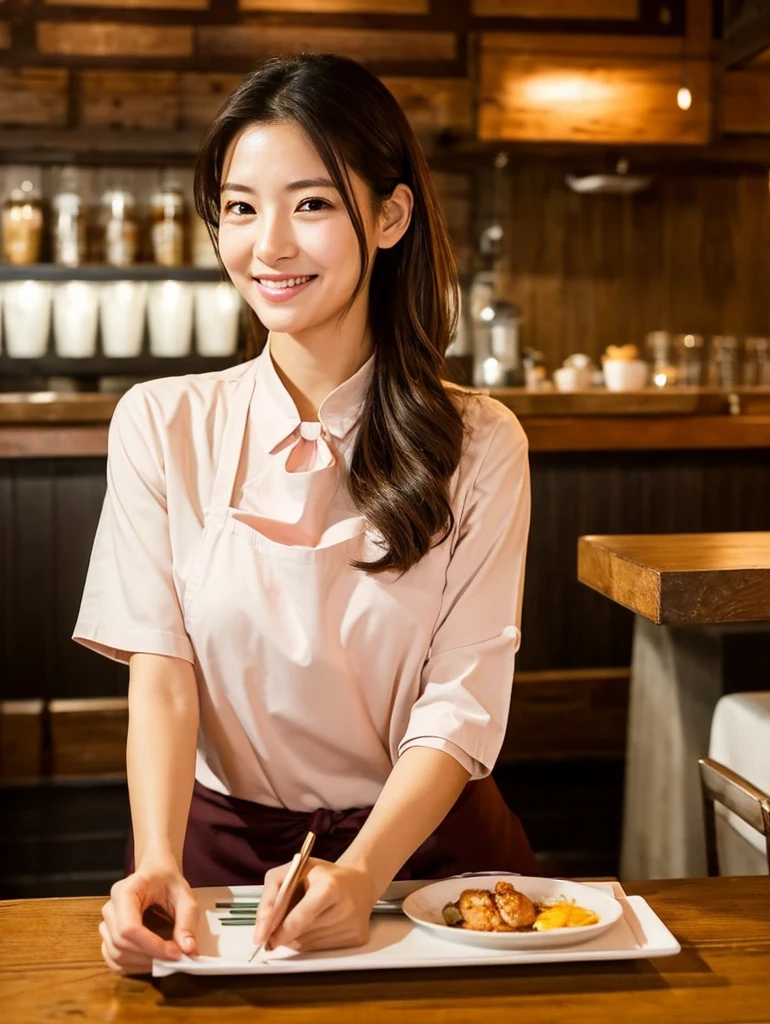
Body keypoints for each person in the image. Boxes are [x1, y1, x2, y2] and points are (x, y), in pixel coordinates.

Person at [73, 52, 537, 976]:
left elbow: (459, 705)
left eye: (312, 204)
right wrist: (156, 862)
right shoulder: (163, 423)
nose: (268, 245)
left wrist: (363, 877)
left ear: (391, 216)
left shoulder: (483, 441)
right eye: (240, 207)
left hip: (424, 859)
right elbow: (163, 676)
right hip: (214, 854)